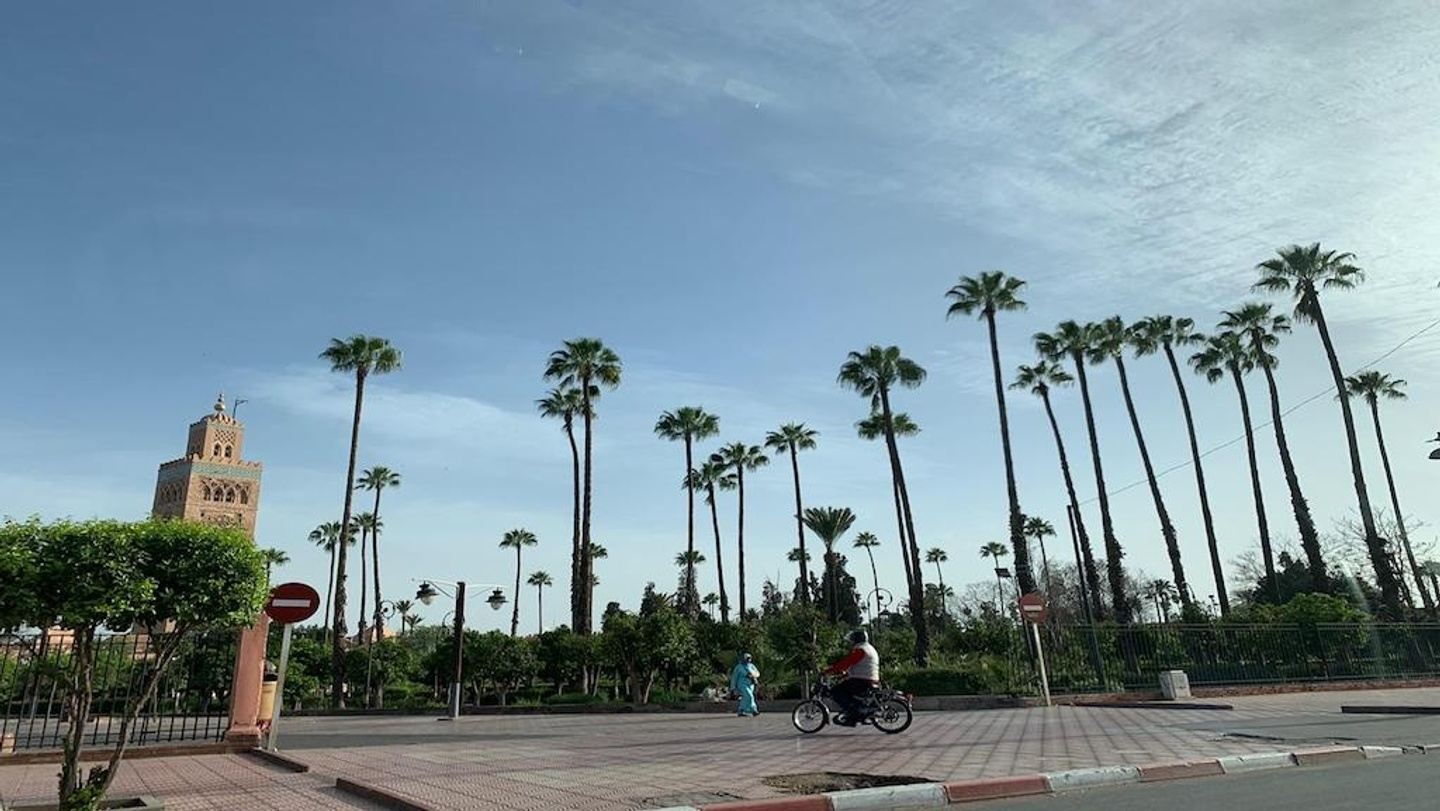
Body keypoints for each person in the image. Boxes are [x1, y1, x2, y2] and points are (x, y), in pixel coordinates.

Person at [822, 629, 880, 726]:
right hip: (869, 679)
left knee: (836, 691)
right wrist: (845, 674)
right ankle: (857, 711)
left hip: (862, 680)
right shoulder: (870, 648)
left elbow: (846, 663)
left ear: (857, 639)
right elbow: (860, 666)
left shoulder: (861, 650)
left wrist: (829, 670)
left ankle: (853, 714)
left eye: (852, 639)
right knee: (847, 691)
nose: (851, 642)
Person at [729, 652, 760, 717]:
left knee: (746, 697)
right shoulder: (739, 667)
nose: (749, 659)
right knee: (749, 696)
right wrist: (733, 688)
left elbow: (757, 673)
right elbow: (734, 677)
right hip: (742, 684)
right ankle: (753, 709)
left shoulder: (752, 666)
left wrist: (753, 675)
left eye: (750, 658)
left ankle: (741, 710)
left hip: (751, 684)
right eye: (747, 658)